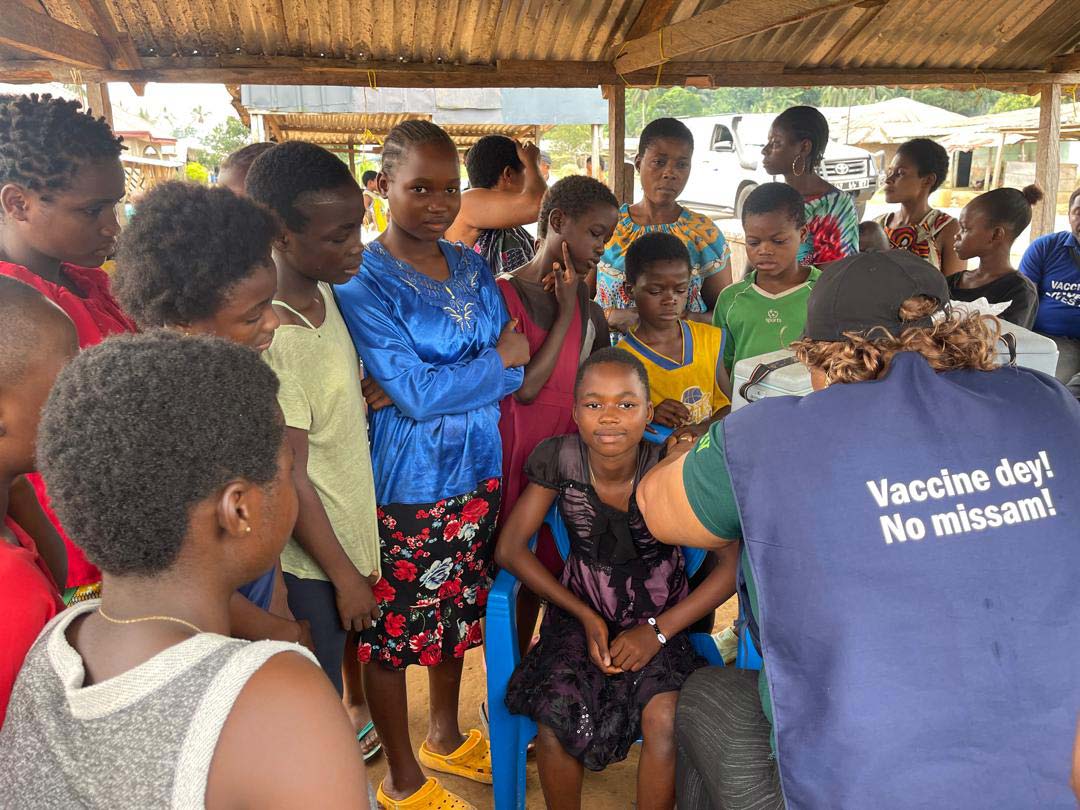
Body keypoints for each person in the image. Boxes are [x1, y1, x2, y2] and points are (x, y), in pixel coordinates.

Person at [637, 250, 1080, 809]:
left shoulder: (767, 437)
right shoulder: (1047, 404)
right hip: (1047, 779)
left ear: (814, 353)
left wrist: (687, 448)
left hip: (855, 788)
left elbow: (658, 508)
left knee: (705, 695)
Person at [0, 332, 372, 808]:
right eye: (286, 467)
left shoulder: (54, 644)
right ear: (239, 511)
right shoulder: (279, 699)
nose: (292, 480)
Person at [335, 120, 529, 810]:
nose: (440, 203)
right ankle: (400, 779)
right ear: (381, 187)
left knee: (455, 615)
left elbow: (515, 365)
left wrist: (433, 380)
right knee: (394, 629)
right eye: (420, 188)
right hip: (409, 482)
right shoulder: (361, 277)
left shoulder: (473, 265)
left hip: (478, 466)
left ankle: (443, 735)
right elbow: (423, 394)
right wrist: (477, 367)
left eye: (450, 188)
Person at [497, 349, 737, 810]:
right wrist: (583, 614)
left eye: (626, 405)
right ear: (574, 411)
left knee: (666, 716)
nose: (609, 418)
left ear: (649, 412)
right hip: (577, 620)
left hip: (661, 624)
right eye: (593, 404)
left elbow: (729, 568)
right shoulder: (560, 460)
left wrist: (658, 631)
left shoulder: (670, 469)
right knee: (555, 720)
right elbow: (509, 549)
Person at [112, 181, 309, 650]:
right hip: (209, 632)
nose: (274, 322)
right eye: (253, 315)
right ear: (182, 320)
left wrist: (278, 595)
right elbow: (176, 570)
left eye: (271, 304)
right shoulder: (162, 418)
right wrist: (273, 631)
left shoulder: (246, 383)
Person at [246, 141, 383, 761]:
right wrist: (345, 576)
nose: (358, 243)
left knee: (345, 666)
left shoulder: (325, 295)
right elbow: (291, 474)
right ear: (281, 235)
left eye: (358, 224)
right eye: (339, 235)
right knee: (317, 694)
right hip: (314, 562)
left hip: (348, 533)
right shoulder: (276, 337)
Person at [0, 93, 136, 601]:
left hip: (127, 539)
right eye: (92, 210)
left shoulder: (90, 285)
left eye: (115, 204)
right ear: (18, 204)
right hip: (70, 563)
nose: (112, 226)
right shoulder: (13, 315)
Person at [496, 175, 617, 649]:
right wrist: (566, 311)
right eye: (595, 233)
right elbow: (526, 390)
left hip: (562, 464)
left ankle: (536, 673)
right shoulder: (503, 295)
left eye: (607, 238)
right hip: (512, 457)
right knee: (507, 573)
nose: (601, 248)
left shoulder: (588, 306)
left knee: (549, 568)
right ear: (558, 221)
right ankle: (506, 678)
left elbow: (595, 382)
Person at [0, 278, 77, 726]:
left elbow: (56, 574)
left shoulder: (15, 505)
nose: (85, 399)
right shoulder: (12, 589)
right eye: (66, 385)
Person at [596, 118, 731, 334]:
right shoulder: (608, 226)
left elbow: (727, 313)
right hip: (615, 359)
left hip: (684, 358)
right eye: (659, 162)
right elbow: (577, 303)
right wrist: (610, 316)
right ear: (639, 163)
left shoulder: (704, 234)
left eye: (681, 164)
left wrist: (685, 318)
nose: (670, 173)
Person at [616, 232, 730, 438]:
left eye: (680, 290)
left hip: (707, 457)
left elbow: (729, 406)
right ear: (629, 290)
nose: (670, 300)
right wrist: (648, 413)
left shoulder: (709, 339)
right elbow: (618, 418)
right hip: (657, 464)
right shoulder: (622, 360)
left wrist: (703, 429)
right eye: (656, 291)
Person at [713, 183, 819, 373]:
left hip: (809, 402)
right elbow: (721, 366)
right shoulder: (730, 299)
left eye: (778, 241)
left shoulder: (824, 292)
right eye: (753, 242)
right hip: (746, 402)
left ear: (802, 234)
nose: (764, 250)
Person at [760, 105, 858, 267]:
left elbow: (834, 275)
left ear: (804, 147)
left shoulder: (835, 205)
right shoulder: (770, 198)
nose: (765, 150)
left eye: (776, 143)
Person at [445, 135, 547, 275]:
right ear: (508, 174)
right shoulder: (468, 202)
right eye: (525, 173)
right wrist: (531, 162)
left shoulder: (505, 219)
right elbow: (541, 204)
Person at [951, 185, 1041, 328]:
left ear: (996, 235)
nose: (957, 235)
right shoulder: (951, 282)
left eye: (965, 229)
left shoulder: (1020, 292)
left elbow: (1005, 343)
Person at [1020, 187, 1080, 396]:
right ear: (1069, 215)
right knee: (1046, 392)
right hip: (1054, 341)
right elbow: (1025, 299)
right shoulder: (1046, 247)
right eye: (1078, 212)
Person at [875, 138, 963, 275]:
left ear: (928, 180)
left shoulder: (946, 228)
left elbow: (952, 290)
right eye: (890, 171)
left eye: (900, 173)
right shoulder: (878, 225)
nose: (888, 179)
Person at [362, 168, 390, 234]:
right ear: (370, 183)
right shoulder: (366, 196)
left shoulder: (375, 195)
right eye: (377, 181)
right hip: (375, 233)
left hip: (382, 230)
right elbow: (365, 218)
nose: (380, 184)